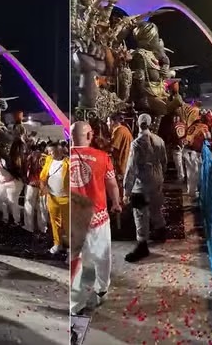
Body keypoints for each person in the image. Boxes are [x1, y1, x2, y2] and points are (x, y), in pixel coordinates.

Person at [69, 121, 120, 315]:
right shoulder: (102, 157)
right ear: (90, 136)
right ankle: (101, 289)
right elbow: (112, 184)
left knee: (76, 261)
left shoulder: (65, 157)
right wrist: (116, 203)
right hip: (97, 219)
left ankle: (75, 305)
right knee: (101, 256)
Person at [122, 113, 167, 262]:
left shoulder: (136, 143)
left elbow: (131, 169)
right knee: (156, 207)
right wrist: (160, 176)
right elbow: (164, 161)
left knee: (140, 214)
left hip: (141, 184)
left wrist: (126, 191)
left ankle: (142, 245)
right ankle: (161, 231)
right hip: (157, 179)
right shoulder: (159, 140)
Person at [41, 141, 69, 255]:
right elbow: (43, 175)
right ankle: (57, 243)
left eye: (52, 151)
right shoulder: (48, 160)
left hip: (66, 198)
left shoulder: (69, 162)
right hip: (52, 196)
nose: (50, 153)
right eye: (49, 151)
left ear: (59, 151)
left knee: (68, 224)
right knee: (54, 222)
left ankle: (70, 247)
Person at [23, 142, 48, 234]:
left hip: (32, 183)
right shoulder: (47, 158)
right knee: (42, 207)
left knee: (29, 205)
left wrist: (26, 180)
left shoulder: (30, 156)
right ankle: (43, 228)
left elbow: (26, 169)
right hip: (43, 185)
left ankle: (29, 226)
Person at [108, 114, 132, 187]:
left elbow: (112, 148)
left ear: (112, 121)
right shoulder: (124, 129)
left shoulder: (119, 130)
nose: (107, 123)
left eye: (107, 121)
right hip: (126, 164)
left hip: (122, 166)